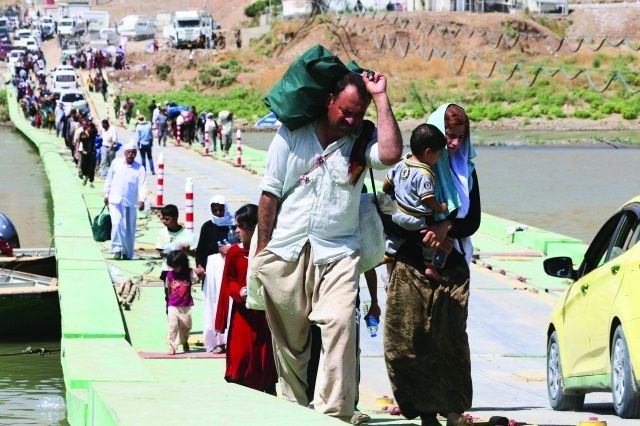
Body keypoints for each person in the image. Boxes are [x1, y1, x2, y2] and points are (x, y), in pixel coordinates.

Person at [251, 71, 402, 419]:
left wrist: (379, 97)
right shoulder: (291, 134)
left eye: (357, 114)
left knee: (339, 323)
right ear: (329, 101)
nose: (350, 120)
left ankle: (333, 412)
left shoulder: (361, 141)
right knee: (291, 345)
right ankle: (295, 407)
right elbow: (270, 193)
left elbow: (392, 153)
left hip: (338, 252)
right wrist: (261, 250)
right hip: (287, 249)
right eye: (345, 111)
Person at [383, 103, 480, 426]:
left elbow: (473, 219)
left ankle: (453, 412)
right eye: (449, 137)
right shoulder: (411, 169)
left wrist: (446, 228)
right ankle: (425, 413)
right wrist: (424, 233)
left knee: (451, 340)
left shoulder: (467, 170)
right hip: (411, 265)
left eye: (459, 138)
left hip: (453, 267)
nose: (454, 145)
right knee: (409, 342)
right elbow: (391, 215)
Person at [215, 204, 277, 394]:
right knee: (240, 355)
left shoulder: (270, 252)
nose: (236, 231)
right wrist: (239, 292)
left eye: (240, 227)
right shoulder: (235, 252)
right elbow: (229, 282)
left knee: (263, 355)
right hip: (242, 316)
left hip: (264, 317)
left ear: (253, 228)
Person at [382, 123, 449, 281]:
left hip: (397, 215)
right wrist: (440, 207)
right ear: (428, 152)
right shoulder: (424, 173)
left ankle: (388, 255)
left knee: (394, 239)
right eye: (438, 154)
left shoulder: (402, 163)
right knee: (429, 240)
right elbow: (427, 198)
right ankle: (430, 267)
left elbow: (386, 182)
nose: (439, 157)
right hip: (416, 221)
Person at [103, 142, 147, 260]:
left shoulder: (140, 168)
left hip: (130, 202)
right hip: (114, 200)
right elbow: (109, 180)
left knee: (128, 228)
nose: (131, 154)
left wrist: (142, 200)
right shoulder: (116, 163)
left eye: (133, 152)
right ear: (125, 153)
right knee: (117, 224)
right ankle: (117, 249)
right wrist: (106, 194)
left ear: (135, 154)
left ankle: (127, 252)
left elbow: (142, 186)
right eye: (129, 152)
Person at [165, 250, 199, 355]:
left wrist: (201, 272)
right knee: (173, 326)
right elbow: (168, 289)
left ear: (183, 264)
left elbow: (197, 279)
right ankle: (172, 346)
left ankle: (184, 341)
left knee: (186, 327)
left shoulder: (189, 273)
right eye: (172, 266)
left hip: (186, 305)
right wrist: (168, 304)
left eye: (176, 266)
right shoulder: (170, 275)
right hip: (173, 305)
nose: (174, 269)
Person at [156, 204, 193, 283]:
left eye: (167, 219)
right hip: (167, 269)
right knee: (168, 294)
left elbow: (194, 253)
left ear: (175, 218)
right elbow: (160, 252)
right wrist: (169, 252)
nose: (164, 221)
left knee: (184, 292)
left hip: (183, 269)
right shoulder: (162, 233)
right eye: (163, 219)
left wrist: (186, 250)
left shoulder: (186, 233)